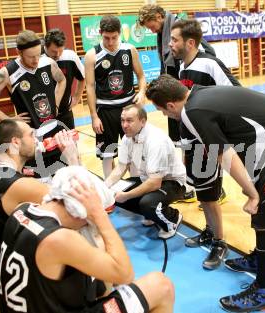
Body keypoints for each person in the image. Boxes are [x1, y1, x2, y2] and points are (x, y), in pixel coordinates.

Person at [146, 75, 265, 313]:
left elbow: (225, 155)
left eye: (163, 112)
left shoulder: (191, 112)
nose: (167, 116)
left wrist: (251, 193)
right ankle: (261, 258)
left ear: (171, 105)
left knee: (264, 218)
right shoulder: (198, 92)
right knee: (262, 214)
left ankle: (264, 293)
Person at [0, 166, 175, 313]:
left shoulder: (22, 210)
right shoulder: (59, 239)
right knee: (161, 286)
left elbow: (74, 187)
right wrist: (99, 215)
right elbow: (125, 274)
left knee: (97, 252)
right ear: (82, 212)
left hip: (27, 306)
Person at [0, 119, 79, 300]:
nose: (36, 139)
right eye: (31, 135)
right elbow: (76, 206)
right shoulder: (17, 184)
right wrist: (72, 157)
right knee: (76, 237)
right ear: (16, 142)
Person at [169, 19, 241, 269]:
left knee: (210, 195)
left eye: (174, 39)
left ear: (190, 42)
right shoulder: (182, 66)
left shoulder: (209, 64)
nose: (170, 44)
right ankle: (210, 231)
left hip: (208, 143)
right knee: (201, 192)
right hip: (191, 142)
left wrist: (218, 131)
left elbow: (235, 93)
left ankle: (220, 243)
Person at [0, 30, 67, 177]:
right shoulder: (7, 73)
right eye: (31, 57)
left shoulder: (48, 62)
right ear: (19, 52)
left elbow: (62, 80)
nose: (36, 60)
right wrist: (8, 120)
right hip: (30, 140)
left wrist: (55, 103)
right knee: (38, 182)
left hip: (53, 131)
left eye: (38, 54)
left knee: (61, 176)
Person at [137, 4, 215, 147]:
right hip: (174, 85)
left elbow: (208, 51)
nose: (151, 30)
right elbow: (165, 61)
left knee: (194, 130)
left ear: (159, 17)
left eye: (151, 26)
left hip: (189, 85)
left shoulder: (180, 28)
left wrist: (190, 73)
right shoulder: (163, 31)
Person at [105, 105, 186, 239]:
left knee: (146, 203)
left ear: (142, 121)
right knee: (113, 193)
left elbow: (155, 183)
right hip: (148, 179)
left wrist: (126, 195)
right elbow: (120, 168)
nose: (124, 125)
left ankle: (173, 217)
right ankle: (151, 214)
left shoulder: (155, 140)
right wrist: (104, 187)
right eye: (122, 120)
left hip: (172, 183)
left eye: (130, 120)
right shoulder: (127, 138)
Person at [85, 15, 146, 178]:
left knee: (134, 151)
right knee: (107, 154)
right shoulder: (92, 55)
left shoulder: (129, 49)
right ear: (100, 33)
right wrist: (93, 116)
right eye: (106, 38)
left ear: (119, 33)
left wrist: (141, 92)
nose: (110, 42)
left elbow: (141, 76)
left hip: (128, 107)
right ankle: (110, 190)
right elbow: (90, 87)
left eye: (114, 37)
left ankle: (135, 183)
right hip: (105, 109)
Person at [44, 28, 85, 130]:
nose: (57, 55)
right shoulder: (37, 59)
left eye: (60, 51)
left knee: (70, 145)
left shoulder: (70, 56)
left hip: (65, 112)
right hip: (43, 116)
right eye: (54, 51)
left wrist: (76, 98)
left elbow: (82, 78)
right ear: (45, 46)